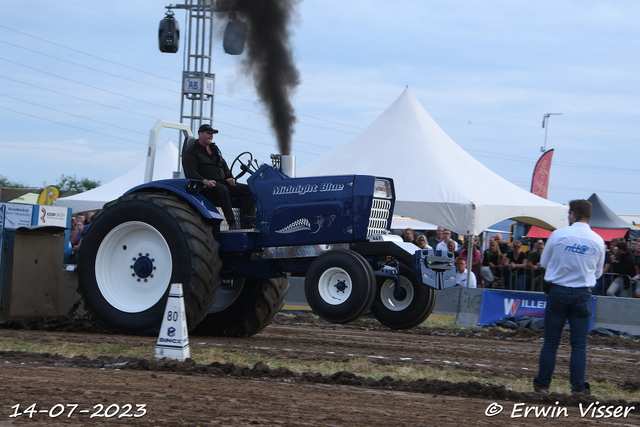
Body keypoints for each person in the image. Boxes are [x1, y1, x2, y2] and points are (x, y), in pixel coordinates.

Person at [533, 199, 605, 396]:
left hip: (558, 292)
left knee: (550, 342)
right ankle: (578, 387)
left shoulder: (558, 235)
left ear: (573, 214)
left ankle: (542, 385)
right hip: (582, 294)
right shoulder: (598, 240)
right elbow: (598, 273)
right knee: (579, 345)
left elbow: (544, 262)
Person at [182, 124, 255, 230]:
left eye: (212, 134)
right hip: (206, 186)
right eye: (208, 133)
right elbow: (190, 172)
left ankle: (247, 223)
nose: (211, 136)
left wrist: (230, 177)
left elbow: (224, 165)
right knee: (222, 190)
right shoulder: (192, 151)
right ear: (200, 134)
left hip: (222, 182)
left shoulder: (214, 149)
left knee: (250, 190)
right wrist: (205, 181)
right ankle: (232, 223)